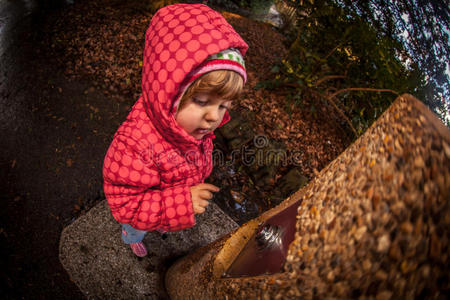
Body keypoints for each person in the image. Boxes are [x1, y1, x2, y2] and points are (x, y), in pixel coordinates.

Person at [102, 3, 248, 257]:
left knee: (155, 219)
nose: (214, 116)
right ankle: (131, 237)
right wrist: (179, 205)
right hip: (140, 215)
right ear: (167, 93)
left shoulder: (192, 130)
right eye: (202, 101)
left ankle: (158, 222)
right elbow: (125, 204)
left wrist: (178, 198)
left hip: (166, 201)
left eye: (223, 105)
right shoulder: (135, 143)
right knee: (136, 227)